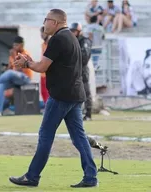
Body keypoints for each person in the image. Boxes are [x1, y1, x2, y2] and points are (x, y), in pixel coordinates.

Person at [10, 9, 98, 188]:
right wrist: (29, 61)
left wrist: (26, 63)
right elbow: (49, 66)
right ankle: (91, 177)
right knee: (79, 138)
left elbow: (42, 67)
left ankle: (32, 176)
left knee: (45, 135)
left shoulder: (57, 39)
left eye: (47, 19)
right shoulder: (71, 37)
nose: (44, 23)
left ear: (56, 22)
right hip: (75, 94)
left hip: (61, 96)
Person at [70, 22, 93, 121]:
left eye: (74, 31)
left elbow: (84, 57)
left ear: (79, 32)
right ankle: (75, 113)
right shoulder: (72, 41)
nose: (72, 33)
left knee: (86, 92)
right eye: (72, 31)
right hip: (73, 71)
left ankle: (88, 113)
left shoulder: (84, 41)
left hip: (82, 70)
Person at [40, 26, 50, 105]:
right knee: (43, 92)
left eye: (42, 33)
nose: (41, 35)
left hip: (49, 73)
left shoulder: (51, 43)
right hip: (42, 72)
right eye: (41, 33)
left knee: (49, 93)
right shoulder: (43, 44)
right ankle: (47, 107)